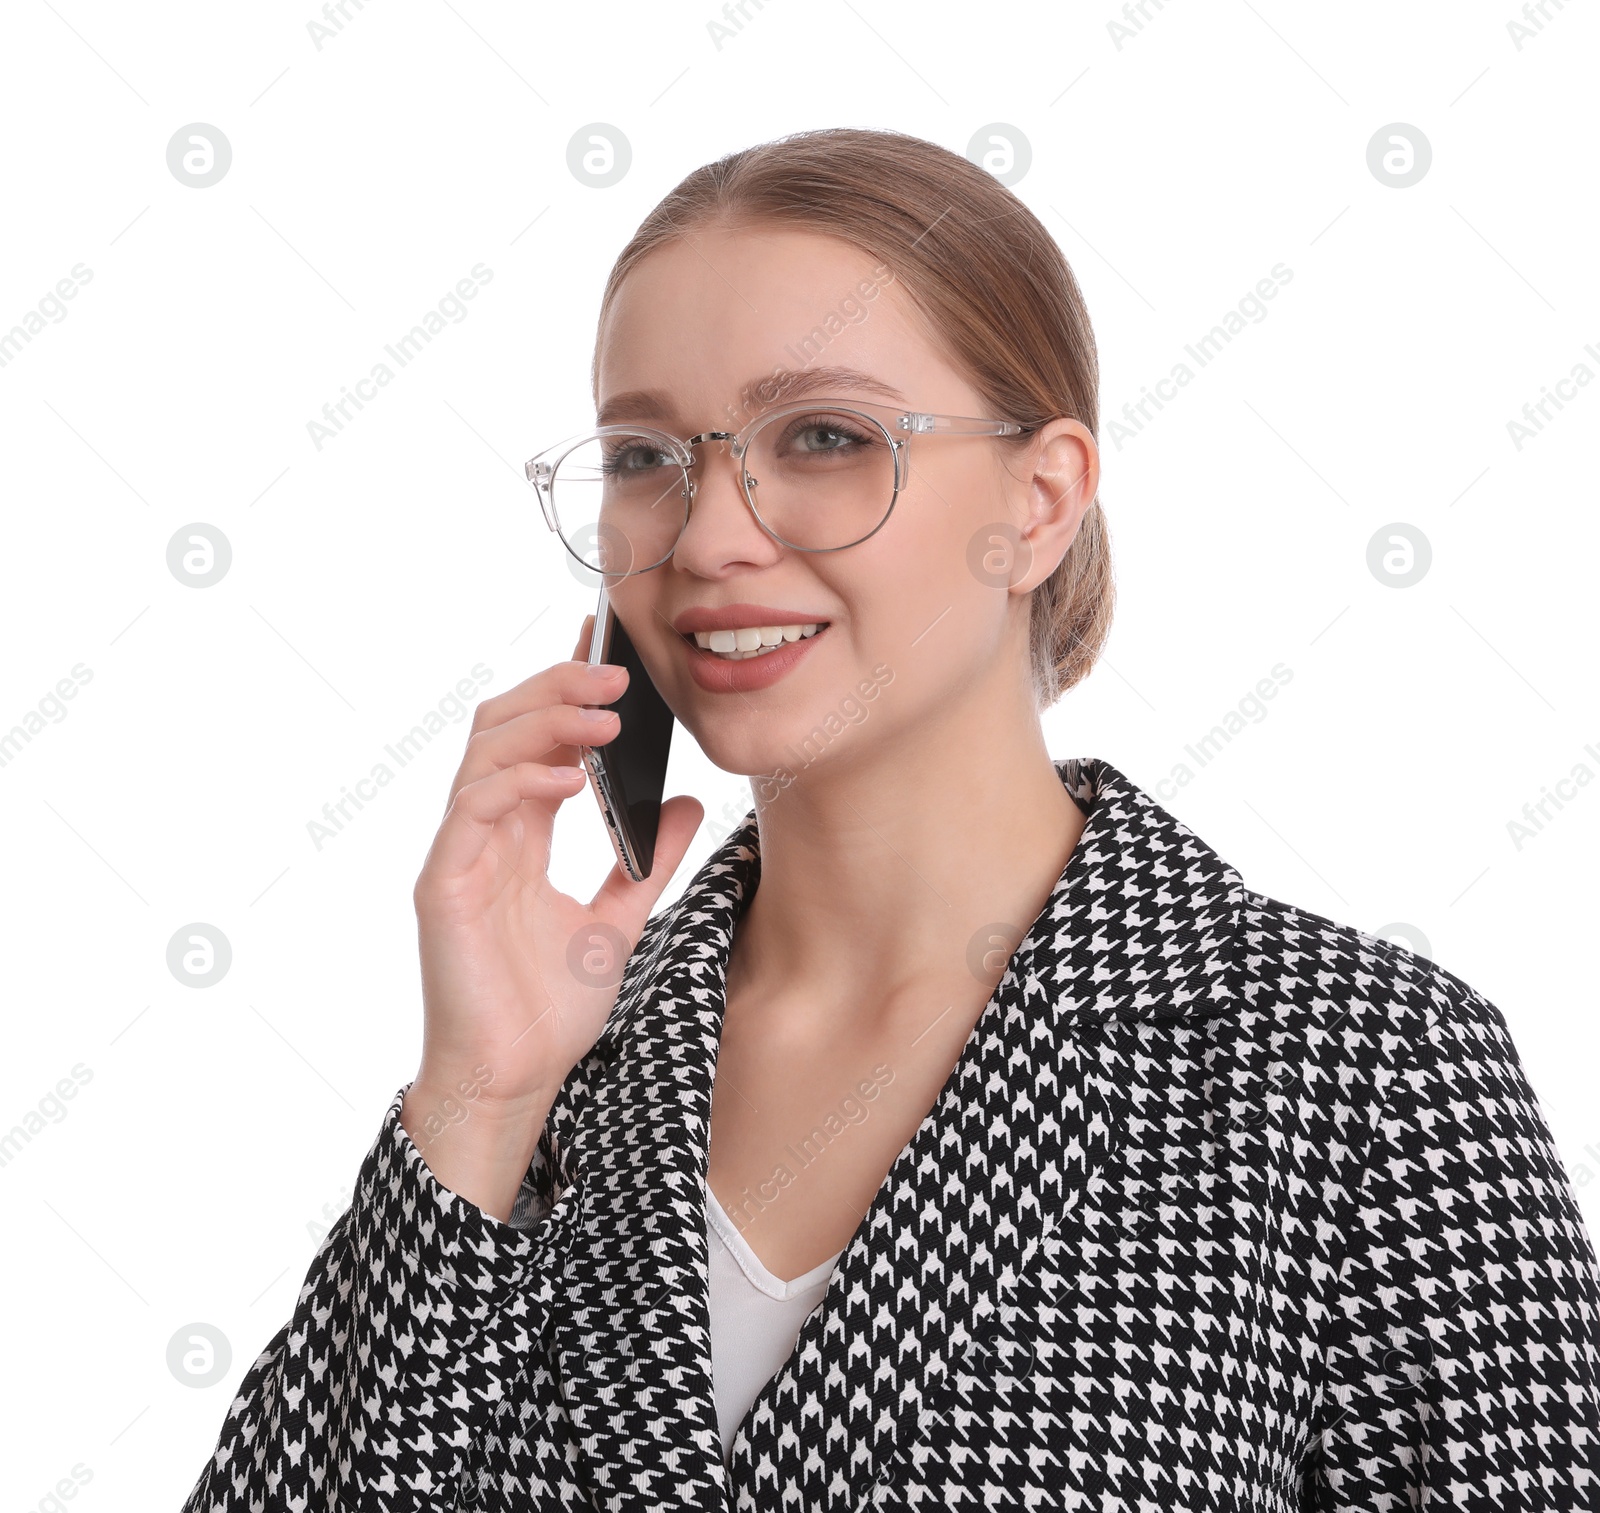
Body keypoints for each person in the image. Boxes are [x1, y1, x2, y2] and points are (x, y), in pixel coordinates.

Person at [180, 127, 1600, 1510]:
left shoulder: (1353, 1069)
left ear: (1040, 500)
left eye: (824, 437)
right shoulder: (568, 1069)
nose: (715, 534)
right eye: (643, 457)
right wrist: (476, 1099)